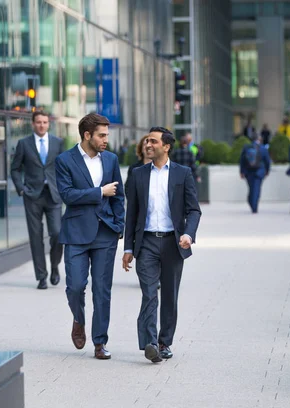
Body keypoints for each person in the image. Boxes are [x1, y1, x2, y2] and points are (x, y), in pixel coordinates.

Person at [122, 126, 201, 363]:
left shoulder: (182, 173)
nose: (148, 144)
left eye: (153, 141)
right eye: (147, 140)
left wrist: (189, 234)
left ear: (166, 146)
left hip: (173, 243)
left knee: (169, 295)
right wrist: (127, 248)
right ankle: (150, 342)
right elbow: (132, 214)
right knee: (148, 293)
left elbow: (194, 210)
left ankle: (165, 341)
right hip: (146, 242)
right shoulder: (138, 174)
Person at [55, 113, 125, 360]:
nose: (106, 139)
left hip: (105, 232)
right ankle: (78, 319)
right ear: (87, 135)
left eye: (107, 135)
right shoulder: (65, 160)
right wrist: (99, 192)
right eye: (102, 135)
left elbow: (118, 195)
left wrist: (119, 225)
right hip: (76, 233)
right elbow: (67, 195)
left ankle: (99, 342)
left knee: (102, 290)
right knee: (75, 287)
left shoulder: (111, 159)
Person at [11, 111, 65, 290]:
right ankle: (41, 276)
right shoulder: (23, 144)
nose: (42, 125)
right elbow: (15, 168)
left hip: (53, 195)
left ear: (48, 124)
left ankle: (55, 265)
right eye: (38, 122)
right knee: (35, 237)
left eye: (44, 122)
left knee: (57, 233)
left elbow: (64, 168)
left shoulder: (57, 143)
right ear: (33, 124)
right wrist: (21, 188)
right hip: (32, 195)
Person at [239, 135, 271, 213]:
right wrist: (267, 170)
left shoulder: (247, 147)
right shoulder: (263, 148)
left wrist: (242, 171)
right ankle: (254, 207)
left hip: (248, 172)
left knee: (251, 189)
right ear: (260, 140)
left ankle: (251, 202)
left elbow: (242, 160)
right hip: (259, 172)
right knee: (256, 189)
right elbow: (267, 161)